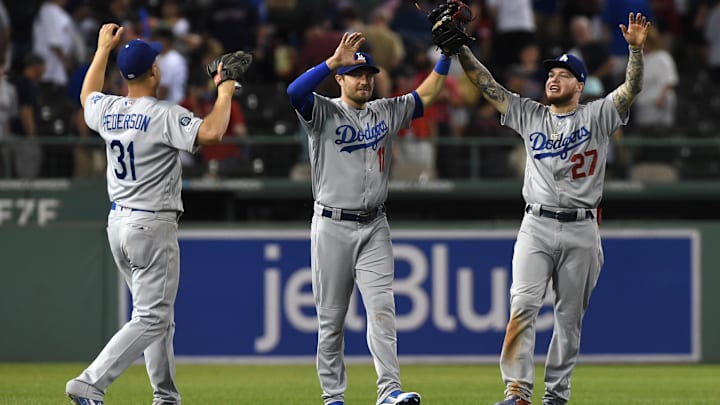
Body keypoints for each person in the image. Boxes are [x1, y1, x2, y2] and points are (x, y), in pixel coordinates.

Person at [455, 12, 650, 405]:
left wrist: (634, 50)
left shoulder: (597, 114)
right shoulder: (530, 114)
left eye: (563, 73)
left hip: (581, 228)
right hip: (537, 224)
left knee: (568, 320)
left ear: (580, 85)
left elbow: (632, 88)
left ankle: (557, 395)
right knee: (522, 306)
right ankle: (516, 391)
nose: (553, 78)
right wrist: (460, 49)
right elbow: (486, 84)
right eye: (550, 73)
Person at [65, 22, 238, 405]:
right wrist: (224, 92)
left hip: (118, 224)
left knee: (157, 316)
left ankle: (165, 397)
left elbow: (87, 94)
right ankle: (90, 382)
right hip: (151, 225)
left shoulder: (108, 107)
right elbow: (211, 133)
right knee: (153, 317)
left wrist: (101, 50)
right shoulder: (162, 114)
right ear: (154, 71)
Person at [286, 31, 451, 405]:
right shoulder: (323, 111)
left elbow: (425, 95)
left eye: (368, 75)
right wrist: (331, 62)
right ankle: (333, 396)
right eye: (355, 75)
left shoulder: (384, 111)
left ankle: (389, 390)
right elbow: (294, 93)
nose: (364, 80)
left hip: (375, 224)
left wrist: (444, 58)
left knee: (382, 311)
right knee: (331, 320)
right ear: (340, 80)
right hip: (332, 225)